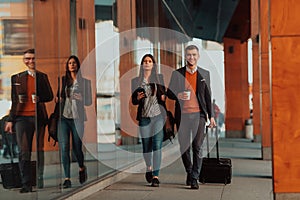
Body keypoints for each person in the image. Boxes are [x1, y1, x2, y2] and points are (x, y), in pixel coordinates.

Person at [167, 45, 216, 189]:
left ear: (198, 56)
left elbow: (208, 96)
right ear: (185, 56)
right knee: (184, 147)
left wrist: (211, 116)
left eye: (194, 55)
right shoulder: (177, 74)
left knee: (197, 146)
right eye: (189, 55)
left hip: (199, 115)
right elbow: (169, 93)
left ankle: (194, 177)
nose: (191, 58)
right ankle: (189, 171)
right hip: (182, 116)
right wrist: (178, 95)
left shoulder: (204, 74)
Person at [5, 48, 53, 193]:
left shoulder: (42, 77)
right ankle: (26, 183)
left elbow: (49, 96)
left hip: (38, 117)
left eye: (33, 58)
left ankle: (39, 178)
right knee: (24, 151)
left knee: (39, 150)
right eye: (27, 58)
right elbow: (14, 101)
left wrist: (39, 98)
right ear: (24, 60)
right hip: (21, 119)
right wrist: (10, 119)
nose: (30, 61)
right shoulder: (17, 78)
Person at [56, 55, 92, 188]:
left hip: (77, 118)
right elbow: (58, 96)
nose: (72, 65)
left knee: (77, 147)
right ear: (67, 66)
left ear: (78, 65)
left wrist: (81, 98)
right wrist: (57, 99)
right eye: (70, 63)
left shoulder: (85, 82)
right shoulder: (63, 80)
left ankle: (82, 167)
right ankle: (67, 178)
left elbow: (89, 102)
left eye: (74, 63)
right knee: (64, 147)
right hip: (63, 118)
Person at [131, 54, 167, 187]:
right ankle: (149, 167)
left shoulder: (159, 78)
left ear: (153, 64)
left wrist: (163, 96)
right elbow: (134, 101)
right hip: (144, 118)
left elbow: (164, 94)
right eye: (145, 61)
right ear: (142, 65)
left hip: (158, 117)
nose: (147, 63)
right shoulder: (136, 80)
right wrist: (138, 98)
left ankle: (156, 176)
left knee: (157, 147)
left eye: (150, 61)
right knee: (146, 147)